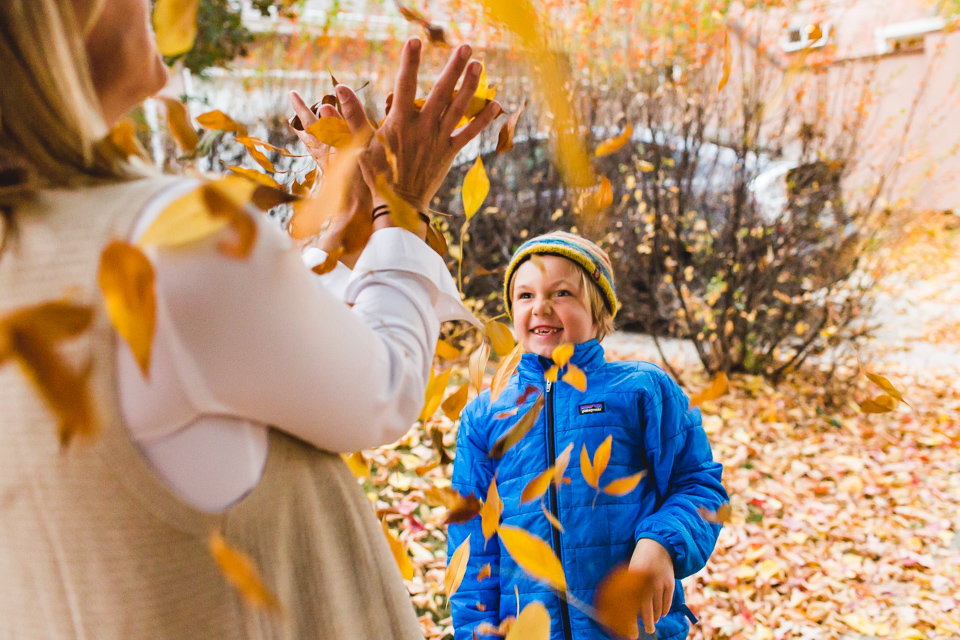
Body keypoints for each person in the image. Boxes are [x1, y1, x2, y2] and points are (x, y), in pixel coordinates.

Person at [0, 0, 500, 637]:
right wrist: (400, 205)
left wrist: (344, 230)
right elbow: (385, 391)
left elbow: (228, 356)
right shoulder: (167, 242)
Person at [447, 232, 728, 640]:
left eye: (560, 293)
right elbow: (471, 542)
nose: (540, 307)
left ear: (598, 312)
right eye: (525, 296)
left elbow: (700, 485)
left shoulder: (642, 390)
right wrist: (477, 632)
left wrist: (663, 542)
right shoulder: (486, 416)